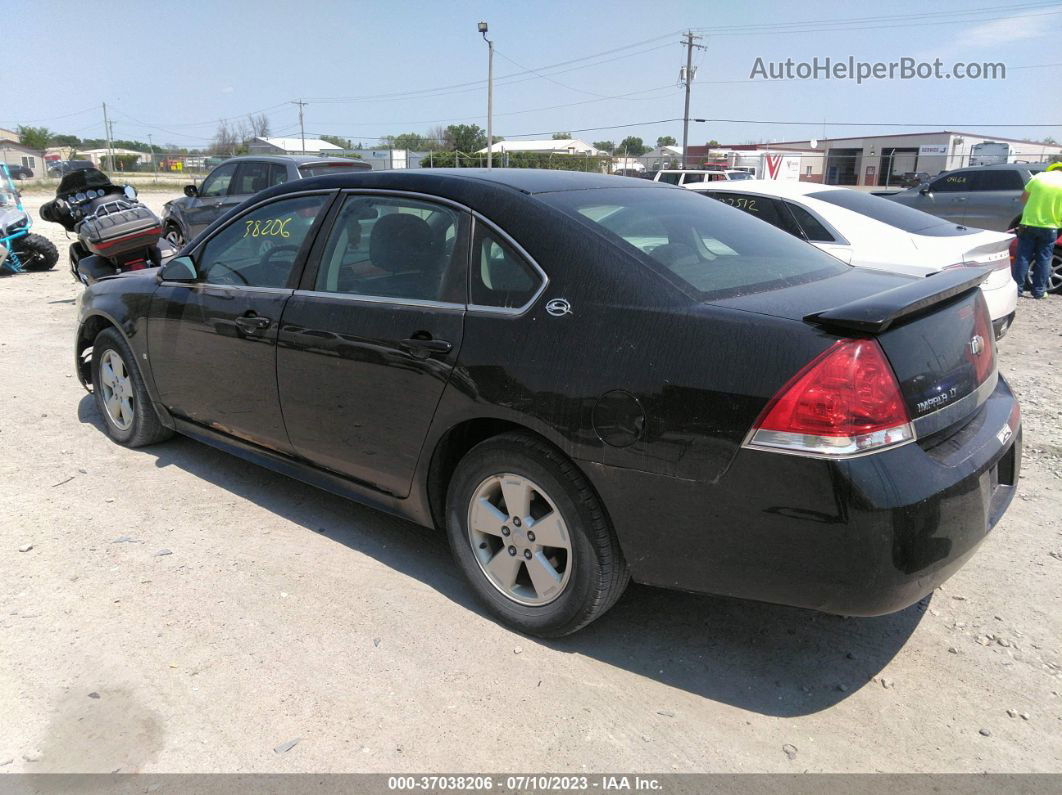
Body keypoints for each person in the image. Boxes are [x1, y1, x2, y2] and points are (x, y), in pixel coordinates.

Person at [1013, 162, 1062, 299]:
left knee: (1023, 257)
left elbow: (1023, 199)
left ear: (1051, 170)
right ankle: (1039, 292)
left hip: (1028, 224)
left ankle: (1017, 290)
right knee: (1044, 259)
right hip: (1051, 227)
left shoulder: (1039, 177)